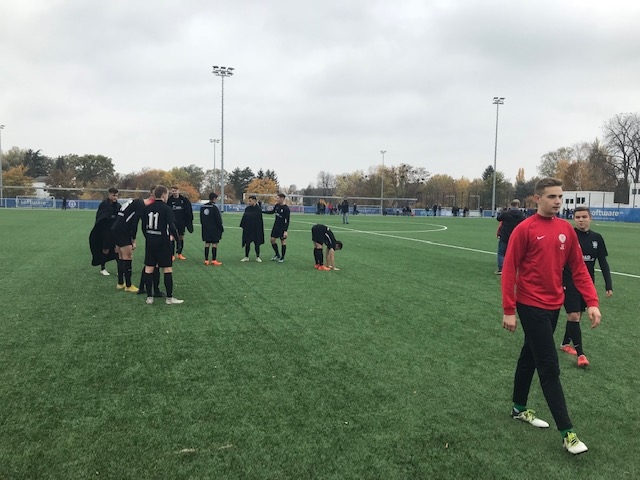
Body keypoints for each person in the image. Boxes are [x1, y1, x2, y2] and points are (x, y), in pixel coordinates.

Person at [501, 177, 601, 455]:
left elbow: (578, 269)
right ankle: (568, 434)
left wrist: (592, 302)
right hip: (530, 305)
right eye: (552, 197)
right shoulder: (524, 229)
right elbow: (509, 269)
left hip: (554, 304)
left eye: (560, 196)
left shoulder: (565, 229)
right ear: (537, 199)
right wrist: (509, 310)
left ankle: (518, 408)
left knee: (529, 355)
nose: (558, 201)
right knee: (549, 366)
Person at [560, 206, 613, 367]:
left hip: (587, 283)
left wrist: (608, 284)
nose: (581, 220)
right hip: (569, 281)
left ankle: (565, 344)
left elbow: (603, 262)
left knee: (578, 315)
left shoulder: (597, 238)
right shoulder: (569, 236)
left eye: (584, 217)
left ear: (590, 218)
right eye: (578, 217)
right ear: (574, 219)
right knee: (574, 315)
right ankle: (581, 355)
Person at [142, 185, 183, 305]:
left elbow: (143, 226)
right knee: (167, 269)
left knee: (149, 268)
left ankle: (149, 297)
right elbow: (172, 226)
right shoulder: (167, 209)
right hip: (163, 243)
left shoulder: (148, 208)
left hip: (150, 242)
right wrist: (178, 241)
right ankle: (169, 298)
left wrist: (149, 237)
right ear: (164, 195)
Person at [111, 192, 156, 292]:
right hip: (123, 230)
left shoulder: (134, 201)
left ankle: (120, 283)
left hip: (116, 228)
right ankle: (128, 285)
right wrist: (133, 239)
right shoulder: (140, 205)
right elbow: (135, 223)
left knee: (121, 257)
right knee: (128, 257)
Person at [89, 187, 120, 276]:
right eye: (114, 195)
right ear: (109, 194)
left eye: (117, 196)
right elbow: (100, 218)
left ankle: (119, 269)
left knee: (117, 249)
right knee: (105, 249)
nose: (115, 197)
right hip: (105, 231)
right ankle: (102, 268)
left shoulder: (118, 205)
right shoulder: (104, 205)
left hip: (115, 231)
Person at [495, 199, 526, 274]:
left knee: (501, 253)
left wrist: (502, 212)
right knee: (516, 252)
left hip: (505, 235)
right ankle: (515, 268)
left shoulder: (506, 213)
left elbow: (498, 218)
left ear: (510, 205)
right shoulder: (522, 215)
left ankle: (501, 269)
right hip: (516, 236)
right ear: (518, 205)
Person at [167, 186, 194, 260]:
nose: (174, 192)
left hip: (181, 222)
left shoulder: (184, 200)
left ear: (178, 191)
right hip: (172, 222)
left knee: (180, 237)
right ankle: (172, 255)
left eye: (175, 191)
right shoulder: (169, 200)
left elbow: (189, 211)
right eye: (173, 191)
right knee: (171, 237)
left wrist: (189, 221)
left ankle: (179, 253)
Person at [264, 193, 290, 263]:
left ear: (282, 199)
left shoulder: (286, 208)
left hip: (282, 227)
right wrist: (262, 211)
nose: (276, 199)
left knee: (283, 241)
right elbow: (272, 212)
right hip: (276, 226)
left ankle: (282, 257)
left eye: (278, 198)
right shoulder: (277, 206)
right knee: (272, 240)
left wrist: (285, 231)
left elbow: (287, 220)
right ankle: (277, 254)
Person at [200, 192, 224, 266]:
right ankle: (214, 260)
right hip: (214, 228)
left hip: (205, 228)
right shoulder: (215, 207)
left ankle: (206, 260)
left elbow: (201, 218)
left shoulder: (203, 207)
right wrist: (221, 228)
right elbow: (218, 219)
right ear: (214, 198)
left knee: (207, 243)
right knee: (214, 243)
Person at [240, 195, 264, 262]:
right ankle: (246, 256)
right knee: (247, 243)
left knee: (257, 243)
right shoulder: (247, 208)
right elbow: (245, 217)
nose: (249, 202)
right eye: (249, 201)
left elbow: (257, 218)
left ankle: (258, 256)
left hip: (256, 229)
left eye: (250, 201)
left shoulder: (258, 209)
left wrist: (248, 216)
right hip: (248, 229)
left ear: (254, 201)